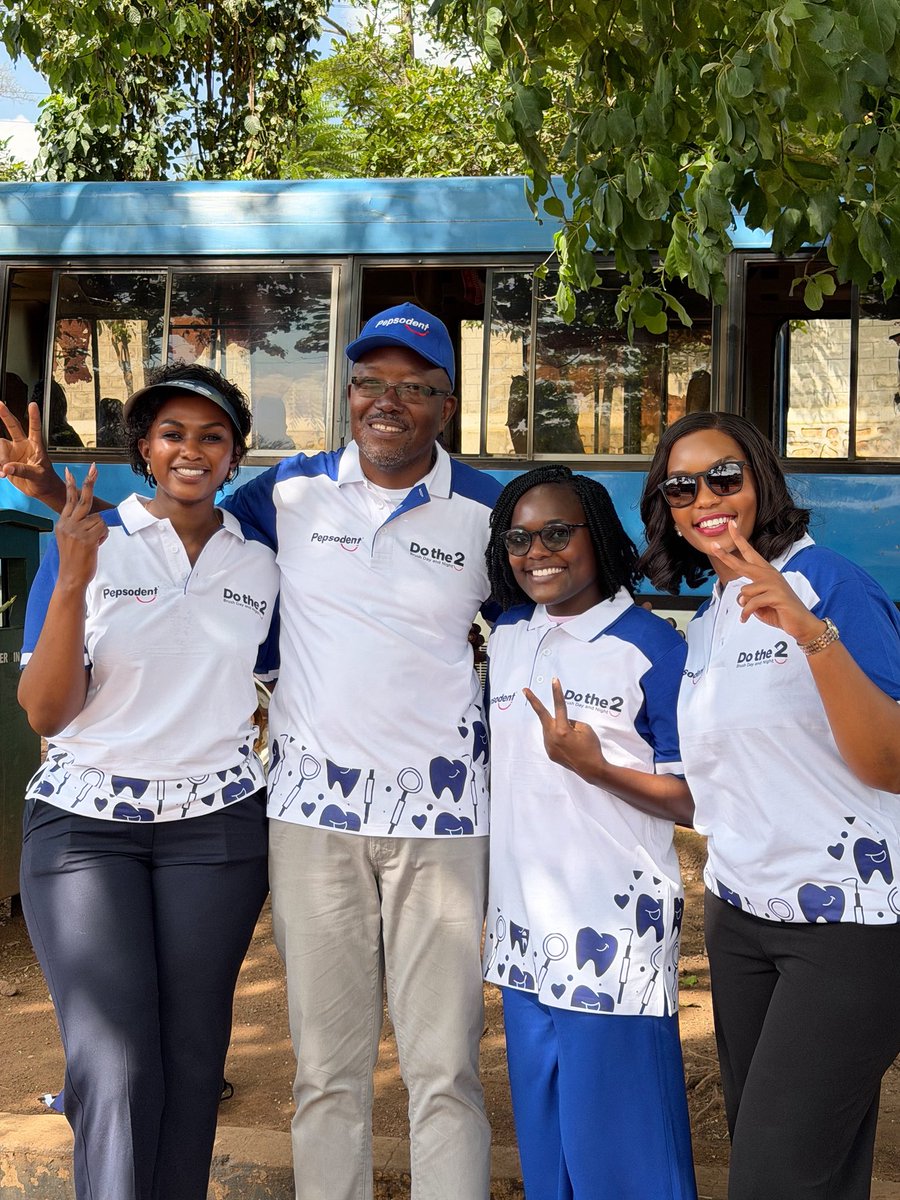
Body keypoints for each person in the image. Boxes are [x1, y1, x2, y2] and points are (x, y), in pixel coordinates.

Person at [1, 302, 498, 1200]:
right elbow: (154, 530)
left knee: (398, 1072)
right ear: (348, 396)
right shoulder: (282, 500)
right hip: (232, 820)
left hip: (340, 824)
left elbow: (565, 579)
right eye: (371, 383)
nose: (390, 401)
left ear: (447, 403)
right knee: (183, 1069)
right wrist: (54, 518)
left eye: (415, 387)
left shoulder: (466, 512)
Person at [15, 364, 279, 1200]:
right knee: (116, 1058)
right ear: (143, 449)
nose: (191, 451)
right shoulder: (88, 536)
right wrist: (72, 579)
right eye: (172, 434)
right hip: (85, 826)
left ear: (235, 455)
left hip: (219, 829)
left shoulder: (261, 565)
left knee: (194, 1057)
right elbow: (46, 714)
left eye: (212, 437)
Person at [639, 411, 900, 1200]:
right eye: (682, 486)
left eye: (725, 476)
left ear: (761, 482)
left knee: (775, 1176)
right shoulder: (713, 614)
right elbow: (731, 786)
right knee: (812, 1164)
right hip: (741, 914)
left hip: (847, 925)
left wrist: (807, 627)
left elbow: (888, 762)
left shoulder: (829, 584)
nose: (705, 497)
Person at [483, 465, 697, 1200]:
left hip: (612, 930)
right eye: (519, 536)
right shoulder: (510, 633)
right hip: (522, 929)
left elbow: (698, 800)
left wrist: (597, 768)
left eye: (555, 533)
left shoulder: (651, 647)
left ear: (597, 537)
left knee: (624, 1154)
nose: (536, 550)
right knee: (550, 1151)